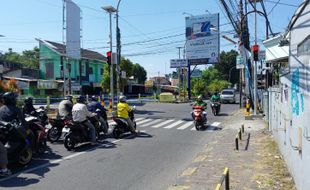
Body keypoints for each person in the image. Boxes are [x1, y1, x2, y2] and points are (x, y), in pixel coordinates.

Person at [0, 92, 28, 177]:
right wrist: (25, 128)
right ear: (11, 100)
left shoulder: (1, 109)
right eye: (14, 98)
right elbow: (23, 122)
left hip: (2, 131)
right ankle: (5, 169)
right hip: (11, 131)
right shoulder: (16, 109)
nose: (16, 99)